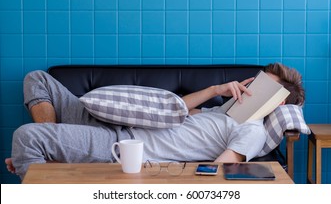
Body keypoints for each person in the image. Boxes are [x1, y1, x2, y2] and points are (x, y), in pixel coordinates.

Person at [5, 62, 305, 180]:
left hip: (118, 144)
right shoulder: (221, 113)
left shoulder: (249, 131)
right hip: (107, 118)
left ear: (275, 100)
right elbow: (173, 110)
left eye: (263, 84)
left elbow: (215, 171)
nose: (251, 86)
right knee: (37, 79)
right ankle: (54, 155)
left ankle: (47, 162)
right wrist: (217, 90)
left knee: (26, 137)